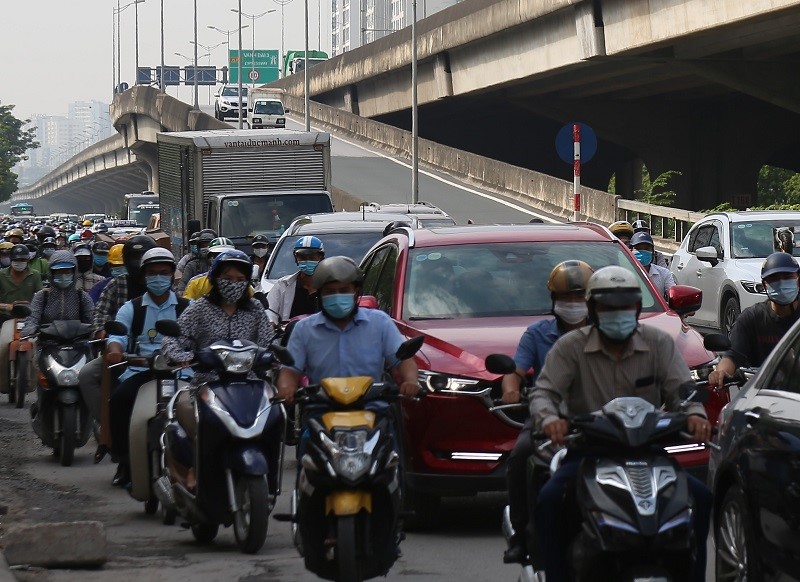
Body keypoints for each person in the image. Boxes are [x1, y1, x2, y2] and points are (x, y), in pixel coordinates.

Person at [530, 266, 712, 582]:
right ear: (593, 310)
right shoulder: (571, 346)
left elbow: (683, 390)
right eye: (609, 307)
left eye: (625, 307)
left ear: (637, 309)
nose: (618, 314)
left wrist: (695, 413)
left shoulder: (659, 343)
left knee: (702, 497)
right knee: (549, 501)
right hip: (589, 452)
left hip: (649, 451)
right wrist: (550, 420)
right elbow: (544, 392)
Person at [501, 260, 593, 564]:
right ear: (554, 301)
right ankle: (521, 532)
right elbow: (514, 371)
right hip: (547, 418)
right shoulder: (537, 334)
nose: (573, 305)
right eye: (567, 299)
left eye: (580, 298)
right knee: (519, 457)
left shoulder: (606, 335)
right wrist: (511, 389)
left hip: (598, 420)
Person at [105, 248, 190, 487]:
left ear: (173, 275)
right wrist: (114, 349)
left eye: (164, 273)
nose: (158, 278)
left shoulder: (188, 308)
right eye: (152, 273)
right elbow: (117, 335)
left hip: (181, 373)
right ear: (143, 276)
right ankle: (125, 461)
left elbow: (200, 337)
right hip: (141, 372)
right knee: (120, 400)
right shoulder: (131, 308)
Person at [79, 236, 155, 426]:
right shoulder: (116, 285)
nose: (158, 279)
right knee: (87, 375)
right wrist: (101, 333)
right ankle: (107, 425)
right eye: (134, 257)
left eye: (163, 273)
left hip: (160, 357)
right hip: (122, 354)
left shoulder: (170, 292)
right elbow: (100, 313)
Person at [26, 251, 94, 435]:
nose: (63, 276)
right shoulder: (43, 296)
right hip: (48, 346)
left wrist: (98, 331)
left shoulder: (82, 296)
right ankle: (40, 404)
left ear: (74, 272)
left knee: (90, 378)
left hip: (79, 346)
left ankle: (93, 416)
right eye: (58, 272)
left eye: (67, 272)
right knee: (43, 380)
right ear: (51, 273)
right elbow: (33, 317)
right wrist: (30, 328)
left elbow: (92, 319)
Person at [709, 252, 800, 387]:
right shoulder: (751, 318)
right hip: (761, 397)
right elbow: (732, 356)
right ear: (764, 285)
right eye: (774, 279)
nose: (781, 283)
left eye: (787, 277)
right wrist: (720, 373)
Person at [0, 244, 43, 392]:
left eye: (23, 260)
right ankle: (3, 383)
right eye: (17, 260)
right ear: (11, 260)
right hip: (5, 318)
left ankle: (31, 382)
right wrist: (7, 306)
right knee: (1, 347)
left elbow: (40, 295)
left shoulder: (35, 275)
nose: (20, 263)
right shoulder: (1, 275)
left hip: (28, 318)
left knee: (36, 346)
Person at [267, 236, 325, 324]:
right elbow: (270, 312)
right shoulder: (282, 285)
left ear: (320, 258)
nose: (307, 261)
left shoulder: (329, 286)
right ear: (296, 258)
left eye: (312, 257)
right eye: (302, 257)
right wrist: (272, 323)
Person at [630, 231, 676, 298]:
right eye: (638, 248)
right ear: (630, 251)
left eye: (646, 249)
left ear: (653, 252)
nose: (643, 252)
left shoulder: (664, 274)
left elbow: (673, 294)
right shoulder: (623, 274)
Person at [176, 229, 216, 296]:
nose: (205, 248)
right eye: (203, 246)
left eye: (208, 245)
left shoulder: (221, 264)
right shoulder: (192, 265)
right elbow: (182, 286)